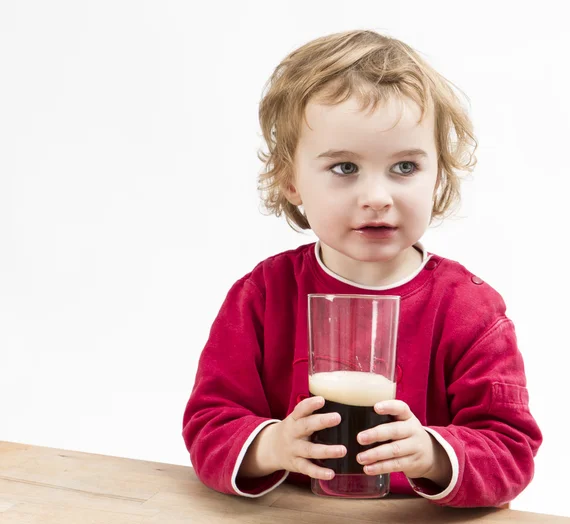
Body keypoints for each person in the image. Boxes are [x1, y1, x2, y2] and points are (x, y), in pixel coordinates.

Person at [182, 29, 542, 508]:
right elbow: (209, 422)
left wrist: (433, 454)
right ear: (291, 179)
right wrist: (272, 445)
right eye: (345, 168)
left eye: (405, 167)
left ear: (439, 175)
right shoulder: (264, 295)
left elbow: (512, 452)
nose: (377, 197)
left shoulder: (469, 310)